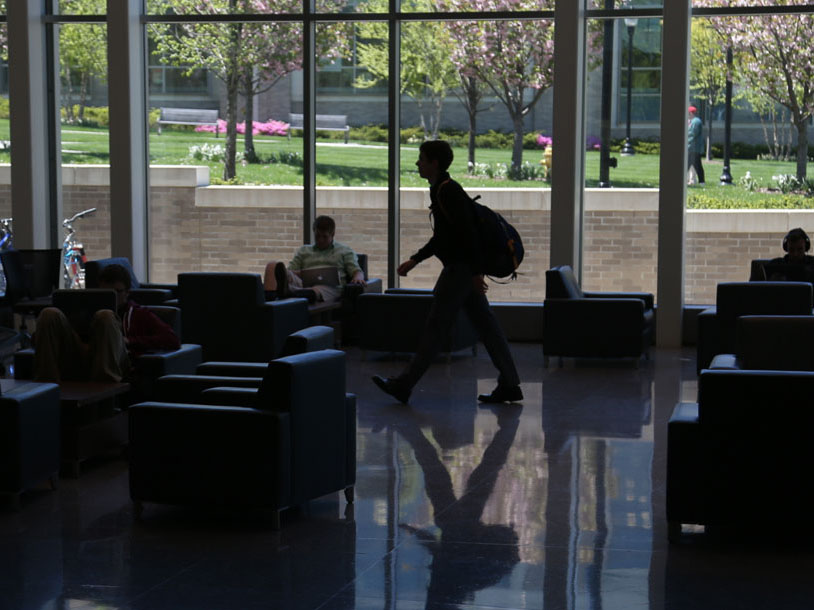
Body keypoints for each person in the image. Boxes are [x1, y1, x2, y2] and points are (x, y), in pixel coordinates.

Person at [371, 139, 522, 405]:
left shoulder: (447, 191)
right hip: (464, 269)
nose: (418, 162)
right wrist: (416, 259)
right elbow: (444, 237)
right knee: (487, 326)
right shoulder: (442, 190)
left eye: (422, 158)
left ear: (434, 163)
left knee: (435, 328)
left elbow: (468, 236)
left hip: (460, 271)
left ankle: (404, 385)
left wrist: (475, 273)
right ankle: (509, 384)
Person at [33, 263, 180, 383]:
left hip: (116, 361)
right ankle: (46, 389)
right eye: (106, 292)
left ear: (127, 293)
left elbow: (171, 339)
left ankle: (105, 393)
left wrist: (130, 341)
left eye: (117, 292)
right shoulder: (84, 308)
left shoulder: (138, 313)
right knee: (49, 313)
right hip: (79, 356)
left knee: (106, 315)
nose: (113, 297)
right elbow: (37, 339)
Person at [263, 215, 365, 303]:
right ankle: (271, 304)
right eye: (317, 236)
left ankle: (289, 292)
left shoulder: (344, 251)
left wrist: (358, 277)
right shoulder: (304, 250)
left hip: (329, 288)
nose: (320, 240)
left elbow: (357, 271)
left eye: (325, 237)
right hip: (302, 282)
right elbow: (290, 271)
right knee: (272, 265)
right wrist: (303, 274)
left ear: (332, 234)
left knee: (318, 289)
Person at [687, 105, 705, 185]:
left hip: (694, 148)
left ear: (690, 113)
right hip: (691, 148)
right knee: (689, 164)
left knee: (697, 165)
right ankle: (701, 182)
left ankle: (702, 182)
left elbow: (692, 134)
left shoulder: (696, 121)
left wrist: (685, 141)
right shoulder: (692, 121)